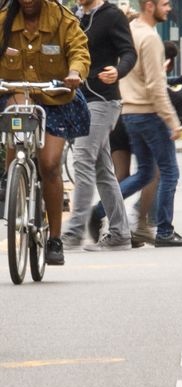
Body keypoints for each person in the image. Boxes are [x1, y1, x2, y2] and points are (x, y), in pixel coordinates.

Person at [0, 0, 90, 266]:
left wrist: (75, 72)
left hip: (55, 100)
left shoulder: (63, 19)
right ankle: (11, 181)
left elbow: (79, 51)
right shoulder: (4, 19)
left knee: (50, 165)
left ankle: (54, 238)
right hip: (17, 92)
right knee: (16, 129)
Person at [114, 0, 182, 246]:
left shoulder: (131, 31)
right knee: (169, 172)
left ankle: (99, 211)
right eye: (165, 4)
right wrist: (172, 122)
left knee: (144, 173)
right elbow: (156, 86)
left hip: (129, 111)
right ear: (149, 6)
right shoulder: (149, 38)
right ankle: (164, 231)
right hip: (148, 112)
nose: (169, 8)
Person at [61, 0, 135, 252]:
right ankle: (120, 234)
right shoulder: (73, 15)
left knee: (82, 160)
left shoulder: (112, 15)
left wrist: (118, 70)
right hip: (79, 99)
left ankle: (72, 233)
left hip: (103, 100)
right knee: (103, 170)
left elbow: (129, 52)